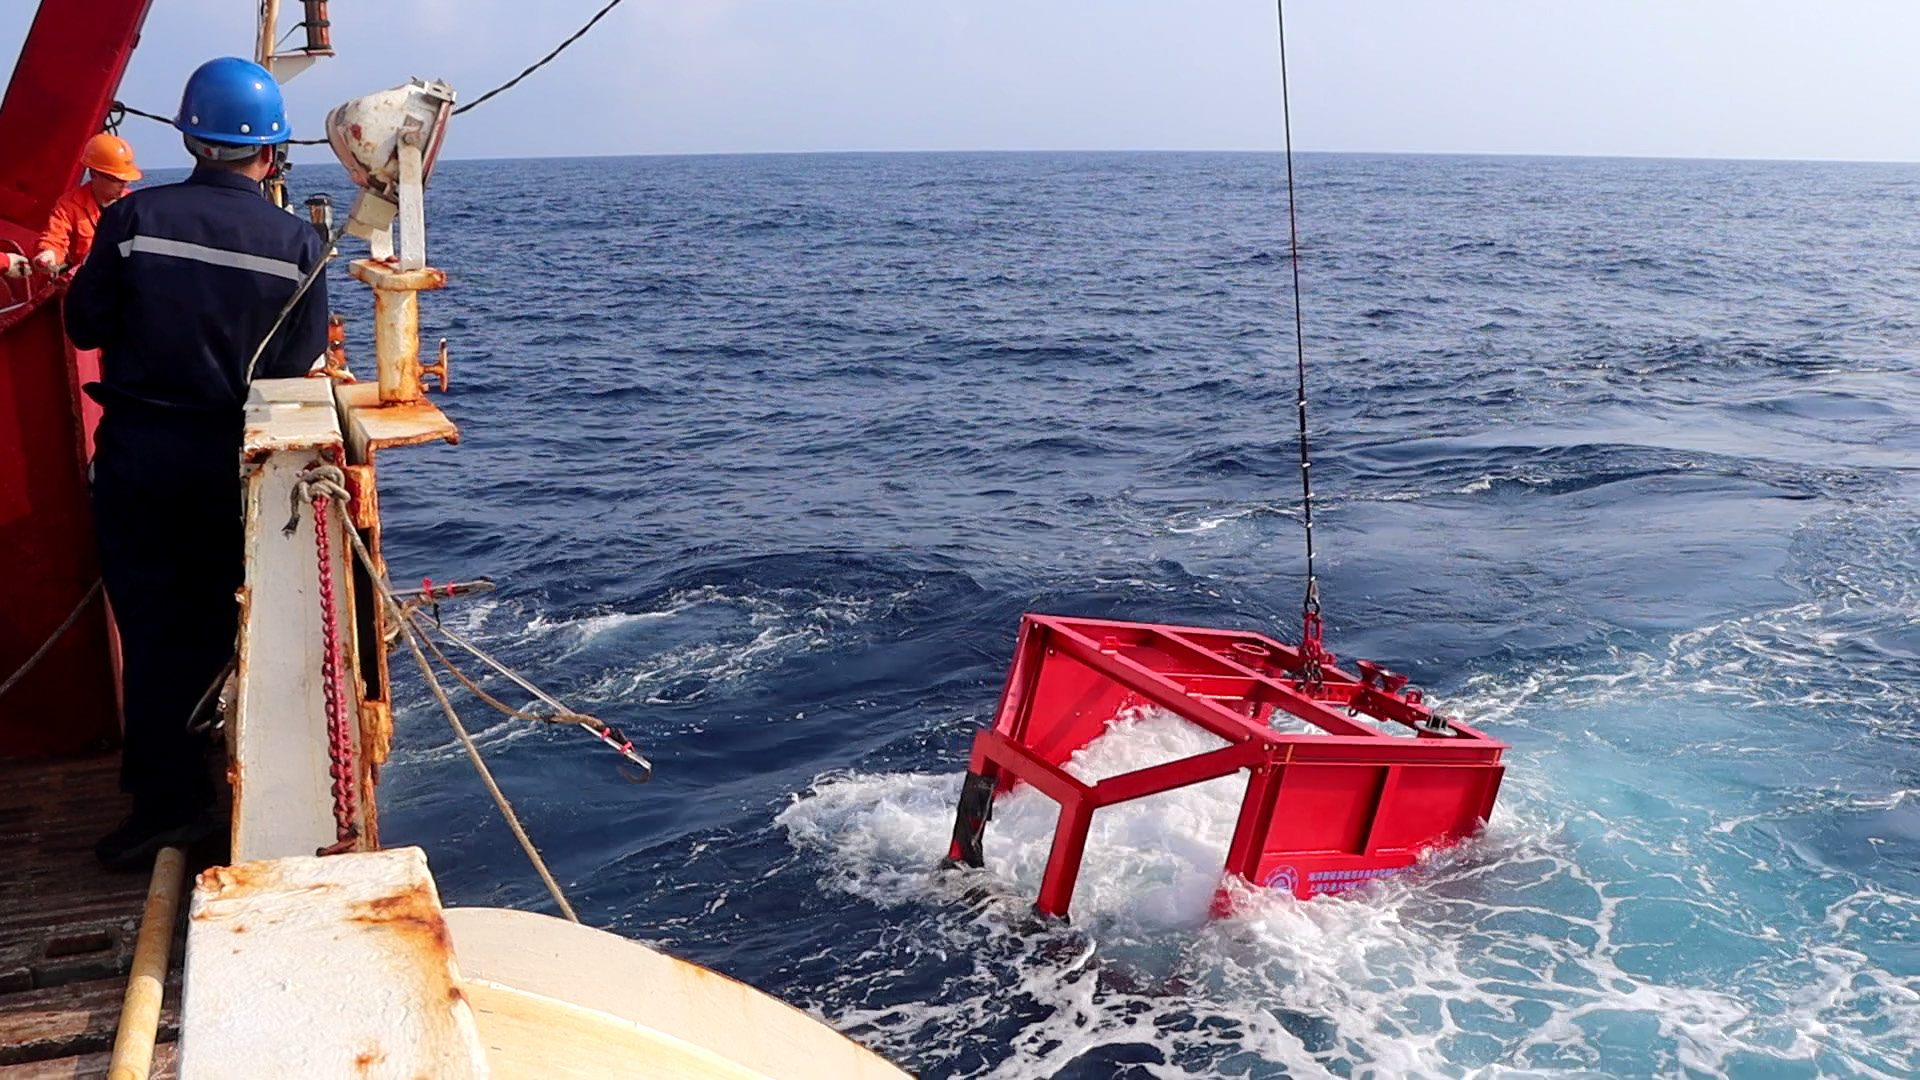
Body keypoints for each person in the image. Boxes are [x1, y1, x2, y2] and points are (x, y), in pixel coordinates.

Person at [65, 57, 328, 870]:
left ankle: (165, 810)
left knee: (151, 632)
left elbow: (83, 325)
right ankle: (248, 795)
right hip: (230, 463)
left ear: (188, 137)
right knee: (228, 622)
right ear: (271, 153)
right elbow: (296, 364)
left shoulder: (131, 220)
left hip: (140, 456)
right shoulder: (298, 243)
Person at [4, 134, 142, 277]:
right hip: (85, 280)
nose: (123, 184)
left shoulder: (135, 206)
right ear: (94, 174)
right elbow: (55, 238)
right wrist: (48, 254)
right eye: (116, 179)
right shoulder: (69, 205)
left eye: (126, 180)